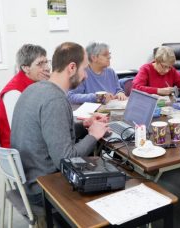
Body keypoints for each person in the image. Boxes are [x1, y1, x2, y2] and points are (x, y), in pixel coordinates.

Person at [11, 42, 109, 207]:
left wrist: (84, 126)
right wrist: (93, 135)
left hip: (30, 178)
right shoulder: (54, 100)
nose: (85, 75)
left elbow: (52, 132)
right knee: (111, 181)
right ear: (71, 67)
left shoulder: (34, 89)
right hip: (43, 188)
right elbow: (66, 159)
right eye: (84, 69)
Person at [0, 44, 50, 148]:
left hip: (29, 143)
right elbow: (22, 132)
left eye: (46, 62)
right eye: (40, 64)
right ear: (26, 68)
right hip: (20, 150)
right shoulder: (14, 93)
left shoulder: (34, 82)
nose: (47, 68)